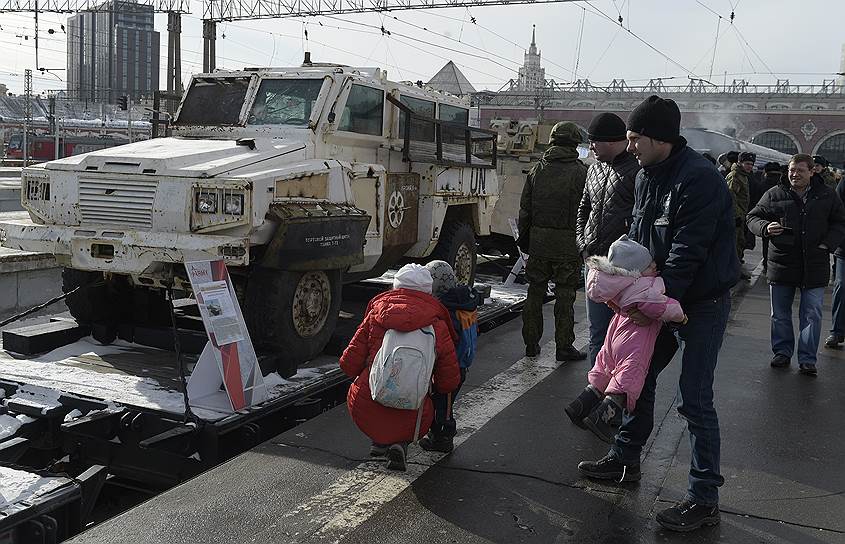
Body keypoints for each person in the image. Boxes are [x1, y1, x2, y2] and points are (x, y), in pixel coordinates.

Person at [577, 95, 739, 533]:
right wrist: (627, 284)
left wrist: (655, 307)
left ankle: (704, 498)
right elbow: (639, 236)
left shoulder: (700, 179)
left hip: (699, 303)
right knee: (639, 378)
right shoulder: (648, 175)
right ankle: (625, 460)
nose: (629, 147)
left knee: (694, 397)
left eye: (634, 138)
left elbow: (688, 251)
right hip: (657, 295)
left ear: (659, 137)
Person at [339, 263, 462, 471]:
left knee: (365, 388)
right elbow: (448, 380)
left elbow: (349, 363)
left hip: (367, 404)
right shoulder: (438, 324)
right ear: (427, 291)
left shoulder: (377, 315)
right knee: (418, 402)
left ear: (396, 287)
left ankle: (380, 442)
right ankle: (400, 444)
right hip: (415, 413)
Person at [564, 235, 686, 443]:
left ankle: (579, 406)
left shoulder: (617, 283)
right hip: (635, 340)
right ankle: (601, 418)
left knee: (604, 369)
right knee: (627, 379)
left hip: (615, 334)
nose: (655, 266)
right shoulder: (644, 287)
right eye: (650, 265)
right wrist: (680, 316)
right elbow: (660, 307)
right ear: (636, 271)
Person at [747, 154, 845, 376]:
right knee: (779, 313)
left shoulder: (827, 195)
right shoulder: (775, 194)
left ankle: (808, 359)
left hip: (815, 263)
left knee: (812, 313)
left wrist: (828, 244)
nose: (794, 174)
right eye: (792, 170)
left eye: (800, 170)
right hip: (781, 263)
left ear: (812, 172)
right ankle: (782, 352)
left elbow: (840, 222)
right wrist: (765, 227)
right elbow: (752, 217)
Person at [518, 121, 588, 362]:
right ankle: (564, 346)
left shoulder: (538, 169)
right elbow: (587, 211)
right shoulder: (581, 172)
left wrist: (524, 239)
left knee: (534, 292)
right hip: (567, 244)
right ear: (575, 144)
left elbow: (525, 208)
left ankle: (530, 344)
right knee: (565, 294)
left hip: (538, 242)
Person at [576, 112, 641, 366]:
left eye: (595, 141)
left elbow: (641, 217)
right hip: (593, 262)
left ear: (614, 141)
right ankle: (596, 390)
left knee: (625, 335)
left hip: (624, 269)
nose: (591, 146)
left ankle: (619, 391)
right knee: (597, 332)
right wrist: (583, 246)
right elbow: (583, 209)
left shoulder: (637, 171)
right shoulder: (594, 170)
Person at [419, 260, 480, 453]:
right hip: (461, 365)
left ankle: (443, 439)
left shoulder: (447, 311)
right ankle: (438, 435)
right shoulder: (465, 303)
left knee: (442, 407)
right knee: (445, 404)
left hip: (448, 368)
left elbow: (445, 342)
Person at [726, 152, 753, 275]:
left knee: (740, 242)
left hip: (742, 215)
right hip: (736, 217)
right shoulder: (735, 176)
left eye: (751, 164)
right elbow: (730, 197)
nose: (749, 167)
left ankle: (735, 269)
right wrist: (736, 215)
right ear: (740, 163)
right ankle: (732, 271)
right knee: (735, 244)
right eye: (747, 163)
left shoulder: (744, 176)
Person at [759, 163, 782, 271]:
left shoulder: (762, 184)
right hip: (780, 218)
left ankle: (765, 263)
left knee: (766, 241)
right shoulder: (782, 185)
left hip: (766, 217)